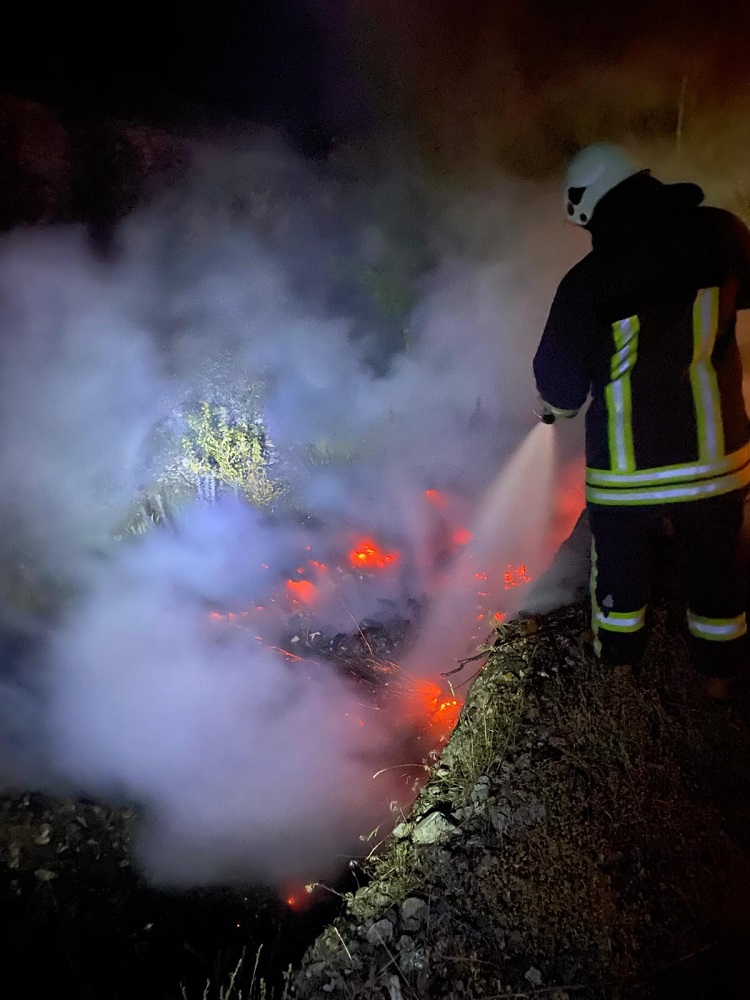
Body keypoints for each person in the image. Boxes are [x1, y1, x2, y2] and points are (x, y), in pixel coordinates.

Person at [533, 142, 750, 699]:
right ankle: (720, 678)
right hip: (716, 459)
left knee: (621, 571)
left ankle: (617, 669)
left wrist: (555, 410)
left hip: (627, 474)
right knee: (717, 564)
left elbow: (558, 380)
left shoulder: (588, 280)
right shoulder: (721, 233)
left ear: (590, 206)